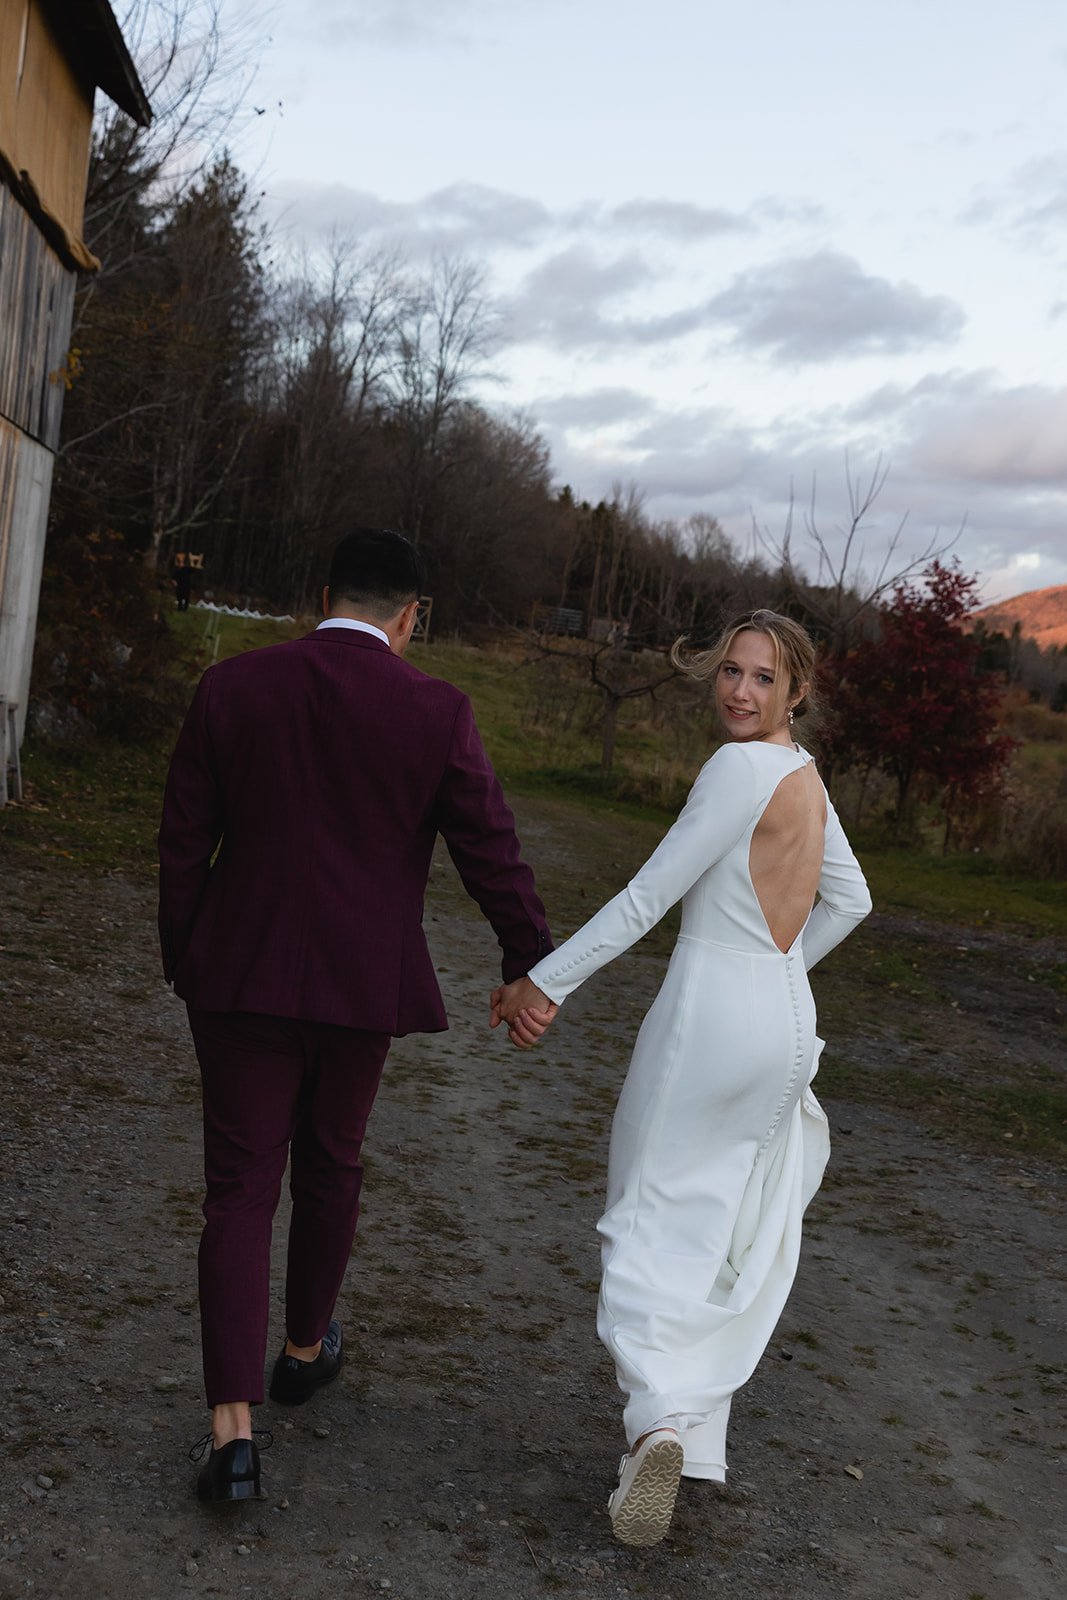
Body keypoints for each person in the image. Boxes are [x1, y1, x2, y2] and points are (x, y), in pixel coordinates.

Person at [158, 529, 552, 1504]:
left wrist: (189, 960)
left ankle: (232, 1436)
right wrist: (529, 966)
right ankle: (301, 1348)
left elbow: (180, 845)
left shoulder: (232, 688)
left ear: (321, 592)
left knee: (238, 1188)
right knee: (332, 1160)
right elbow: (490, 848)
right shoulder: (435, 709)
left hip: (237, 979)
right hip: (358, 992)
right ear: (411, 616)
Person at [491, 609, 871, 1548]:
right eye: (730, 673)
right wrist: (776, 968)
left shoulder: (738, 769)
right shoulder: (804, 777)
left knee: (639, 1216)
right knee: (716, 1225)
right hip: (783, 1024)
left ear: (797, 693)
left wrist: (545, 982)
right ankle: (687, 1449)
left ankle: (656, 1418)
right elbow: (850, 901)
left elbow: (648, 897)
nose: (739, 692)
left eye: (761, 679)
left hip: (709, 1019)